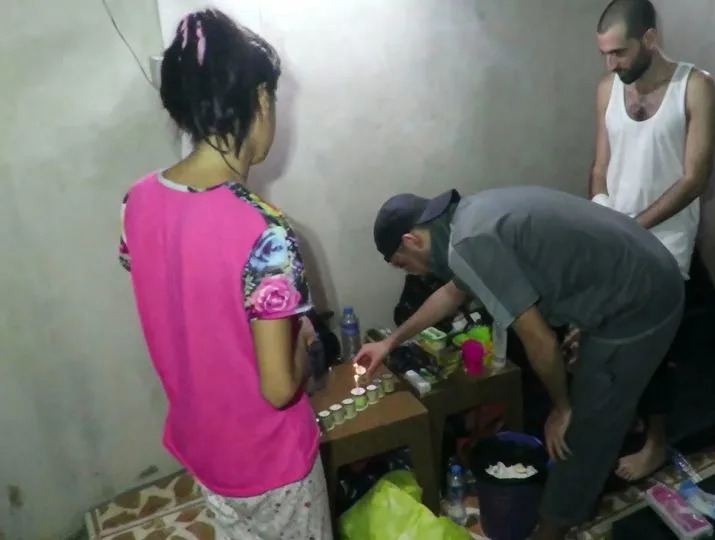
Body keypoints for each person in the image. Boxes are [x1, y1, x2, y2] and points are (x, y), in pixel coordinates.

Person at [354, 186, 684, 539]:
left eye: (404, 264)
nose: (415, 274)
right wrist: (391, 341)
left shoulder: (469, 244)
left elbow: (541, 342)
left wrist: (562, 408)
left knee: (584, 426)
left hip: (642, 297)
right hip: (637, 268)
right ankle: (595, 460)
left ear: (412, 240)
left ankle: (552, 528)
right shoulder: (467, 219)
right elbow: (452, 292)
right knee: (595, 393)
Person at [117, 9, 331, 538]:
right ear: (260, 101)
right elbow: (279, 387)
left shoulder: (136, 201)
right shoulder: (266, 233)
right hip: (272, 465)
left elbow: (178, 300)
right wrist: (306, 342)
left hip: (204, 449)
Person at [589, 0, 715, 484]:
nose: (612, 64)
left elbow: (694, 177)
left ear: (649, 39)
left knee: (652, 341)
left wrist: (635, 227)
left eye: (619, 53)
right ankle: (631, 413)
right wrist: (602, 215)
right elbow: (600, 165)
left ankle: (656, 444)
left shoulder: (696, 86)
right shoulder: (607, 88)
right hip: (616, 230)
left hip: (664, 238)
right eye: (605, 54)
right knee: (611, 333)